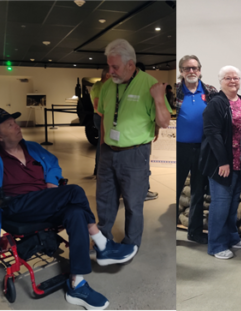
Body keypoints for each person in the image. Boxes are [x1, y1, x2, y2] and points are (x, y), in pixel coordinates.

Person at [0, 108, 136, 309]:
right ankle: (102, 244)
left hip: (45, 201)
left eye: (15, 122)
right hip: (16, 206)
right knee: (74, 191)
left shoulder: (32, 147)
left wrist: (52, 182)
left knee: (76, 213)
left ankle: (78, 284)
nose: (16, 126)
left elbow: (52, 165)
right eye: (9, 125)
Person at [95, 38, 172, 247]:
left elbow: (164, 122)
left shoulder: (149, 84)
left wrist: (158, 98)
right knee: (104, 199)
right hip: (108, 151)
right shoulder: (108, 86)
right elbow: (103, 116)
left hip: (135, 154)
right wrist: (102, 145)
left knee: (133, 202)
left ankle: (131, 243)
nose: (110, 71)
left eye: (115, 67)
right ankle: (103, 239)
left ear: (131, 65)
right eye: (109, 66)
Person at [200, 66, 241, 259]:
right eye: (228, 78)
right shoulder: (216, 103)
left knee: (233, 203)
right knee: (220, 204)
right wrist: (223, 162)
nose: (233, 81)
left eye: (236, 78)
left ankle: (231, 236)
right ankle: (217, 245)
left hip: (239, 162)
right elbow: (213, 134)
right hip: (222, 163)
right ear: (220, 81)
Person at [175, 54, 219, 244]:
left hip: (203, 148)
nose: (191, 71)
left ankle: (194, 231)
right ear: (181, 72)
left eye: (194, 68)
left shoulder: (210, 91)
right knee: (175, 190)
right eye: (187, 68)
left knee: (198, 191)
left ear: (200, 70)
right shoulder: (174, 92)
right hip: (179, 148)